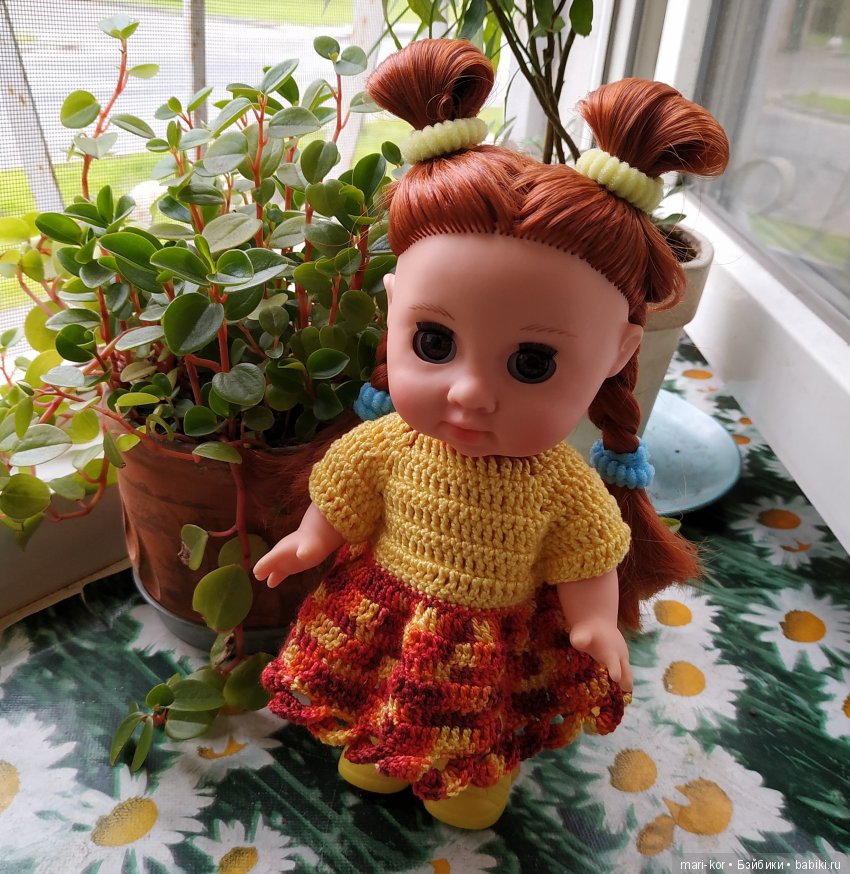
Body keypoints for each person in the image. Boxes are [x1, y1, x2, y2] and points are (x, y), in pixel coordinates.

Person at [254, 38, 728, 829]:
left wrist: (593, 621)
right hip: (386, 613)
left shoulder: (561, 485)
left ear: (619, 355)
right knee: (379, 694)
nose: (471, 392)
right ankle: (381, 748)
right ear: (395, 309)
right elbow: (342, 491)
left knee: (473, 725)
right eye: (433, 342)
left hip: (488, 644)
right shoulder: (388, 445)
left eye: (531, 363)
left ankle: (469, 780)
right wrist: (310, 540)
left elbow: (587, 555)